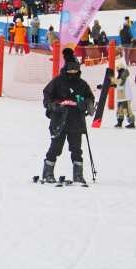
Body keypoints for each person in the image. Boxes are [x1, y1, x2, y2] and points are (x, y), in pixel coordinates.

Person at [39, 48, 95, 184]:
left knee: (76, 149)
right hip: (60, 120)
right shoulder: (57, 81)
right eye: (70, 70)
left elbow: (90, 97)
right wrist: (53, 106)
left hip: (76, 120)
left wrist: (86, 103)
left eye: (75, 70)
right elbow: (47, 97)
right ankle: (48, 173)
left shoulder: (81, 84)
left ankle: (78, 174)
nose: (73, 72)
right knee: (56, 147)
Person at [112, 61, 135, 128]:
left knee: (126, 109)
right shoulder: (121, 75)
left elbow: (121, 83)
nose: (117, 70)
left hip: (126, 96)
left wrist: (112, 79)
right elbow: (118, 85)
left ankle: (131, 123)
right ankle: (119, 122)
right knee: (120, 110)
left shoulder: (124, 75)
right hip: (121, 96)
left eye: (118, 69)